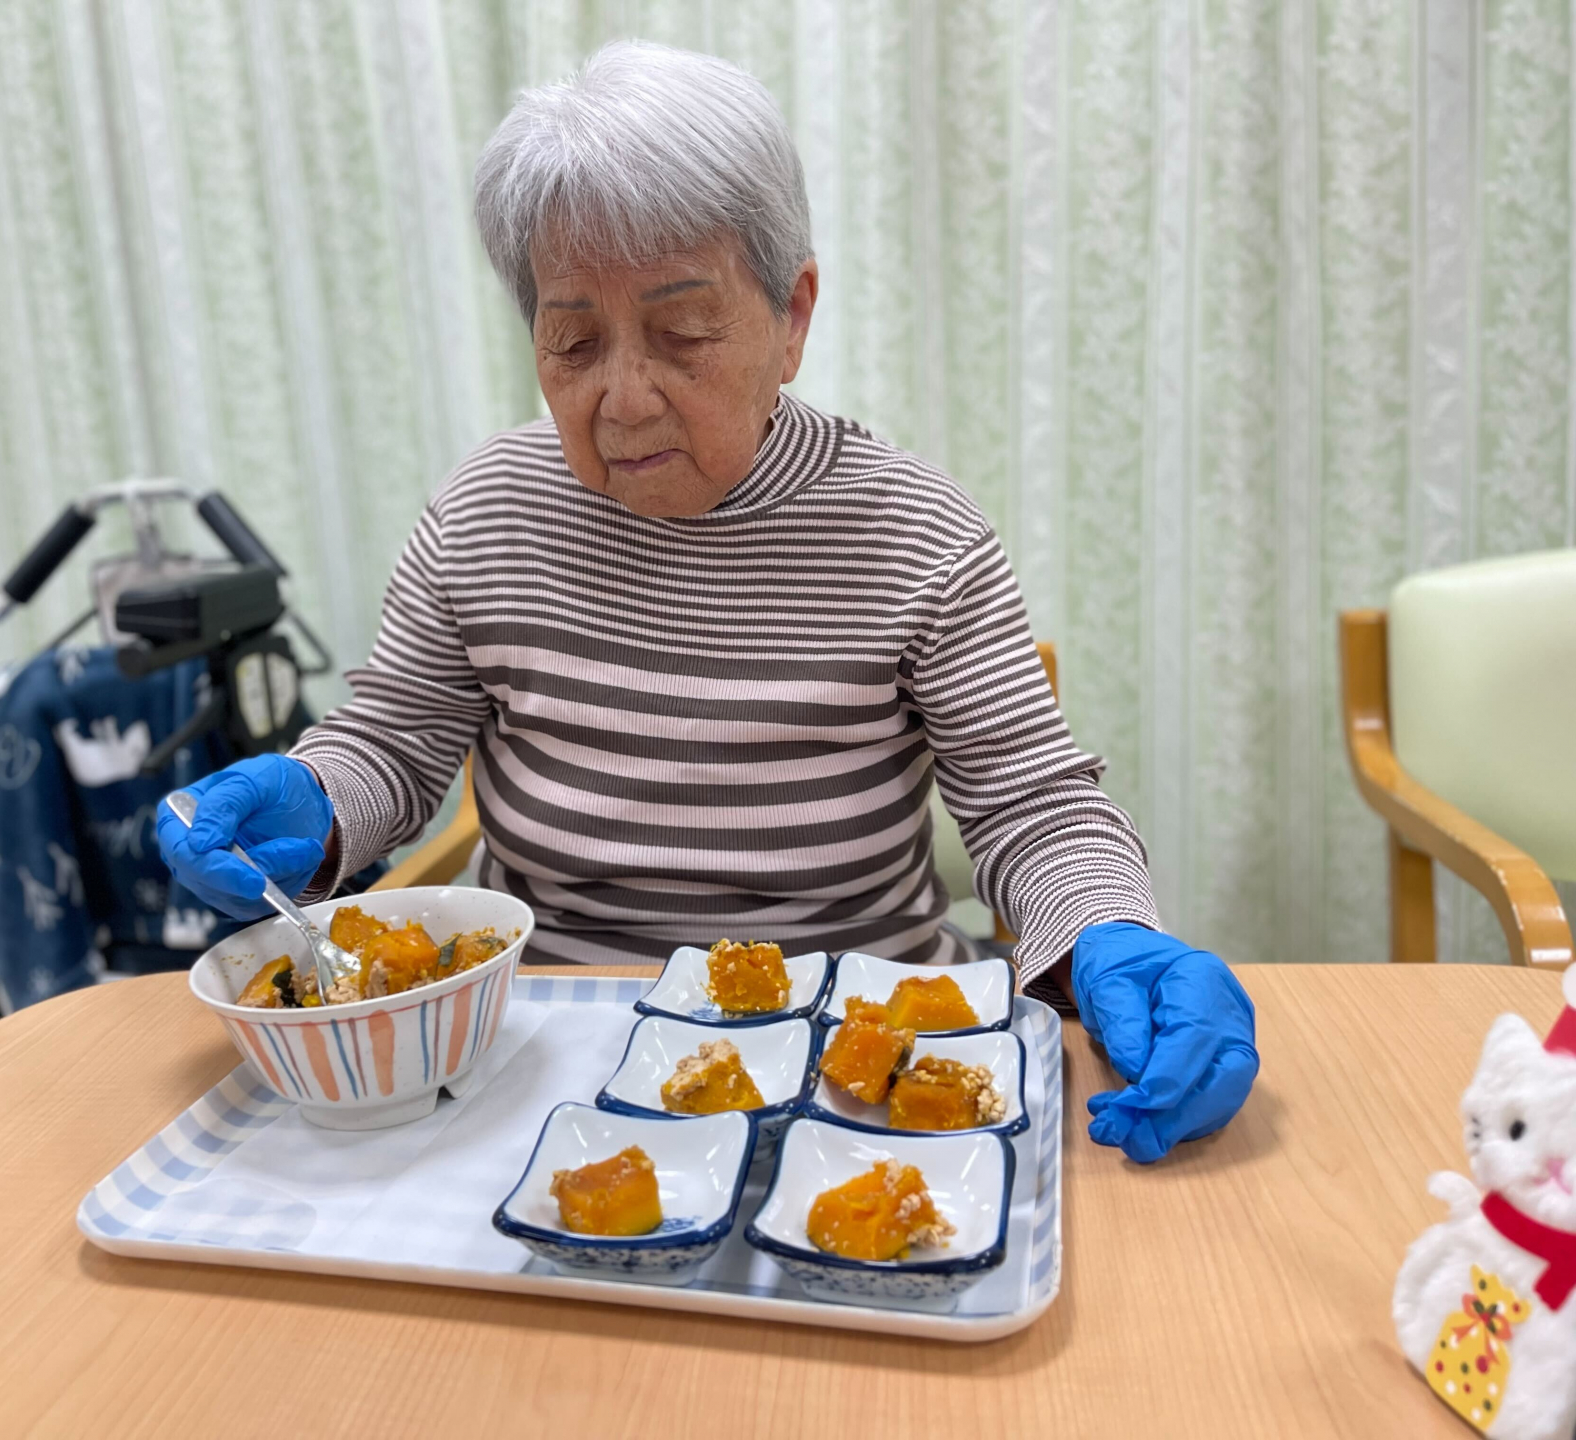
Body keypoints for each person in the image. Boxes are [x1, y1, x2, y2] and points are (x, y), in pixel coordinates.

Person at [156, 41, 1256, 1164]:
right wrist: (318, 795)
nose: (625, 400)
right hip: (552, 1054)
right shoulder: (488, 512)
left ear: (793, 317)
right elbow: (394, 742)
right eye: (573, 340)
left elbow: (1032, 806)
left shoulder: (914, 533)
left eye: (683, 333)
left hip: (856, 1057)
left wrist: (1109, 927)